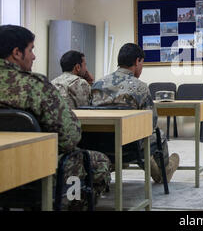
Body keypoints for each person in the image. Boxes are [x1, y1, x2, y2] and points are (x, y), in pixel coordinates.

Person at [0, 25, 111, 209]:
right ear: (17, 53)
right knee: (98, 162)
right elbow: (69, 138)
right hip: (34, 167)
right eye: (31, 50)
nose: (34, 56)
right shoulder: (34, 86)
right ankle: (73, 205)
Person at [91, 43, 179, 183]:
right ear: (137, 61)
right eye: (142, 63)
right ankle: (164, 171)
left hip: (100, 144)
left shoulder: (97, 84)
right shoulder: (140, 87)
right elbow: (151, 124)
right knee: (158, 135)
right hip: (130, 144)